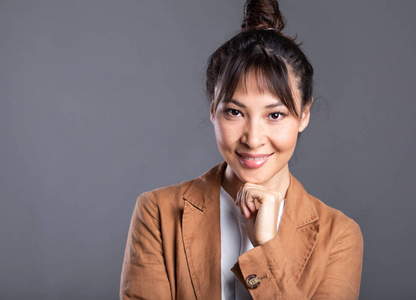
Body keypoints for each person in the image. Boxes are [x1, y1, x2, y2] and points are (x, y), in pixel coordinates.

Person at [120, 0, 363, 299]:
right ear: (212, 109)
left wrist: (267, 246)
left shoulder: (338, 235)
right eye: (235, 112)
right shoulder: (157, 213)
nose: (254, 138)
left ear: (304, 115)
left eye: (275, 115)